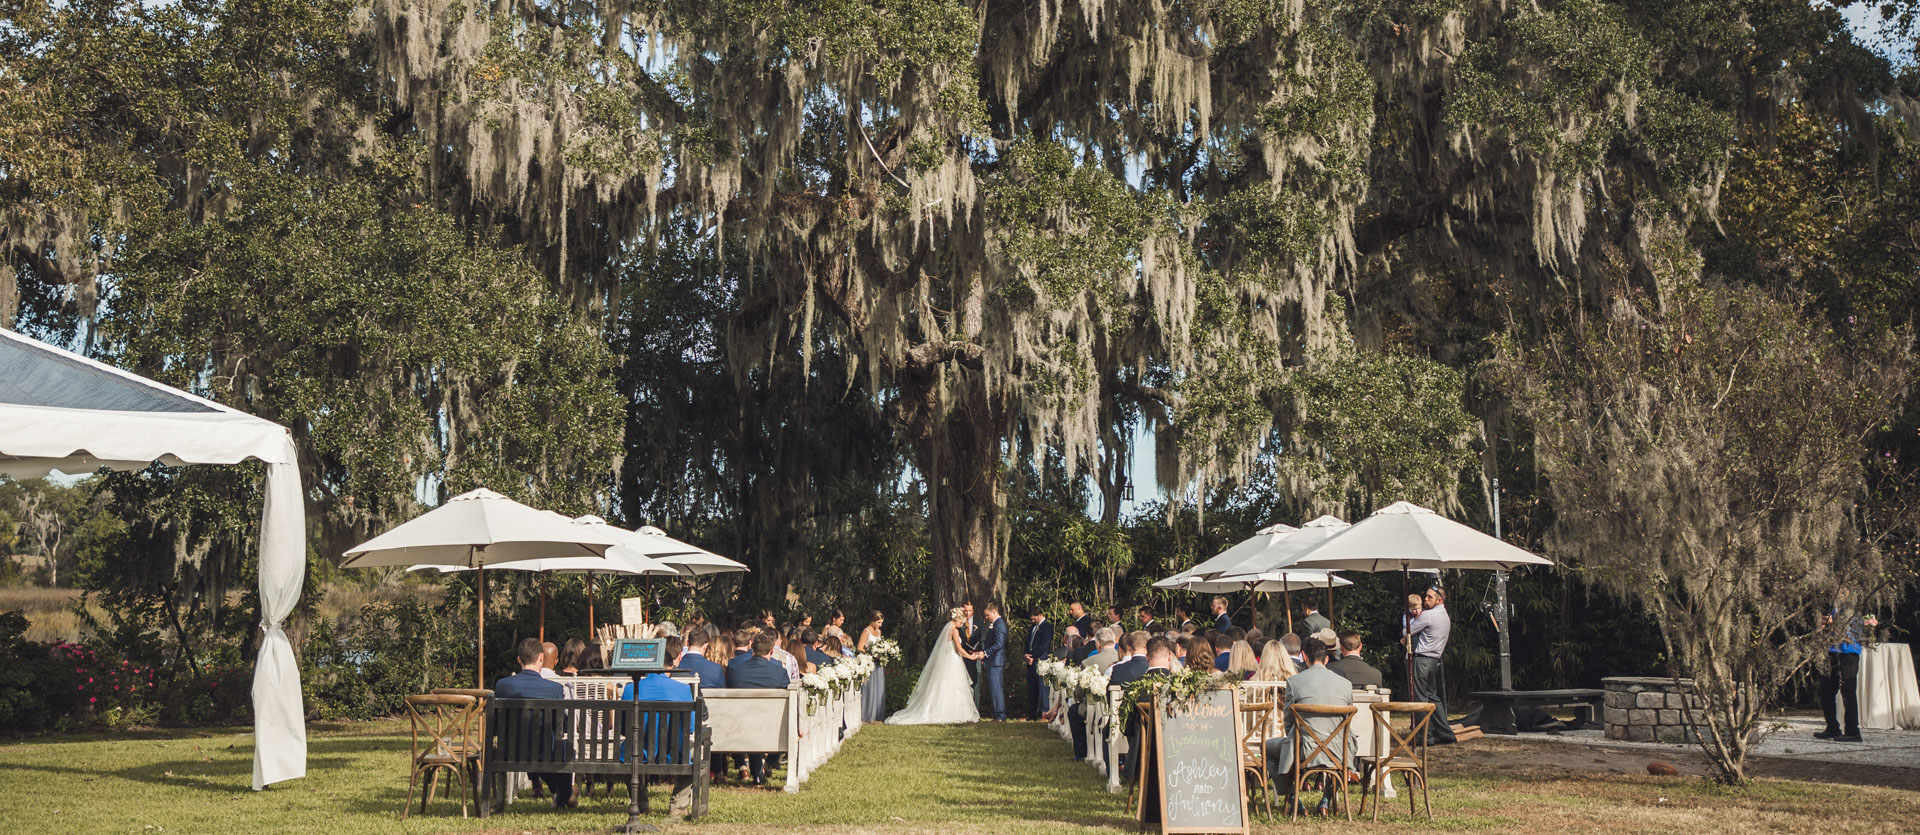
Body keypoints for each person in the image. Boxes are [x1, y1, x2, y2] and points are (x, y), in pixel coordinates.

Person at [1264, 637, 1354, 813]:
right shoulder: (1345, 685)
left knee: (1267, 748)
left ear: (1304, 656)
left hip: (1303, 749)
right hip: (1338, 750)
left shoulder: (1294, 682)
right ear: (1326, 658)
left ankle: (1293, 799)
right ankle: (1326, 800)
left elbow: (1289, 721)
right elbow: (1347, 722)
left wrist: (1297, 741)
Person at [494, 638, 576, 806]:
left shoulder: (503, 685)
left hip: (510, 752)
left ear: (519, 659)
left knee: (539, 744)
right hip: (545, 752)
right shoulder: (554, 689)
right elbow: (559, 726)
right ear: (541, 657)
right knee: (565, 749)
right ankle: (564, 796)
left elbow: (496, 724)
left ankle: (562, 795)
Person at [888, 607, 983, 725]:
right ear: (957, 619)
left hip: (949, 659)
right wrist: (971, 657)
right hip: (952, 659)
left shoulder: (948, 628)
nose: (962, 623)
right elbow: (959, 649)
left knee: (945, 684)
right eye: (961, 621)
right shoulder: (954, 630)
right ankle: (952, 712)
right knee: (954, 685)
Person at [725, 632, 792, 784]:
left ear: (751, 648)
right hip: (770, 726)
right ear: (771, 651)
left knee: (753, 720)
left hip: (736, 723)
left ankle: (753, 771)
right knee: (767, 722)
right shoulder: (779, 672)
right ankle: (762, 769)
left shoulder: (735, 668)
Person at [623, 637, 696, 763]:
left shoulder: (630, 689)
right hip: (674, 757)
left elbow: (624, 728)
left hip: (635, 756)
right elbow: (690, 727)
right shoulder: (683, 690)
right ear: (671, 667)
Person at [1405, 586, 1456, 745]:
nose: (1425, 599)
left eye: (1429, 597)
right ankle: (1445, 733)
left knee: (1419, 698)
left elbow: (1406, 630)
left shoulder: (1428, 615)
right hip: (1434, 661)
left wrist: (1411, 618)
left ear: (1439, 600)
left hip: (1421, 660)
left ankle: (1424, 736)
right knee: (1433, 697)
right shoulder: (1445, 616)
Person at [1818, 598, 1865, 742]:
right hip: (1831, 650)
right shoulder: (1832, 606)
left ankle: (1852, 731)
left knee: (1848, 690)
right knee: (1826, 690)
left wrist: (1834, 624)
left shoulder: (1853, 608)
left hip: (1849, 652)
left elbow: (1850, 631)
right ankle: (1832, 727)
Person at [980, 602, 1010, 721]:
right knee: (994, 688)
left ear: (994, 612)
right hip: (993, 661)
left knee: (996, 688)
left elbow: (998, 644)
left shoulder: (999, 624)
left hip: (995, 661)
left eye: (987, 615)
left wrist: (986, 653)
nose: (986, 618)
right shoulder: (996, 624)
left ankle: (1000, 715)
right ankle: (998, 714)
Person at [1024, 605, 1054, 721]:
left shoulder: (1047, 627)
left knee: (1043, 687)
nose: (1032, 621)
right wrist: (1026, 654)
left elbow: (1044, 645)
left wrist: (1033, 656)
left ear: (1040, 615)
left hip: (1041, 661)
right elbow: (1027, 642)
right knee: (1032, 688)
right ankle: (1032, 713)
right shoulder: (1033, 627)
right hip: (1030, 661)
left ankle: (1044, 712)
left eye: (1034, 619)